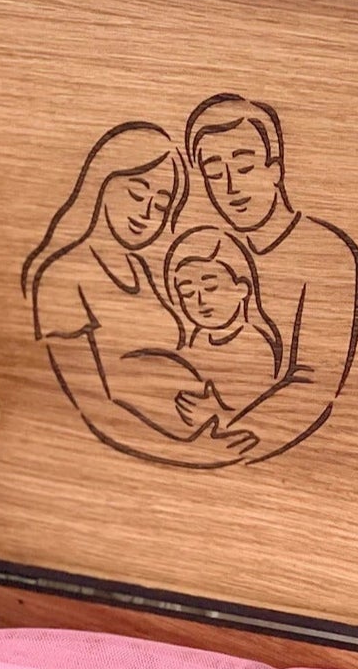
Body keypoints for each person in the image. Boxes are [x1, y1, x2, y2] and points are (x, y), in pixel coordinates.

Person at [22, 123, 252, 464]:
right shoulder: (64, 276)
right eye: (137, 193)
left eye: (161, 205)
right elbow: (92, 407)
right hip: (140, 458)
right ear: (103, 182)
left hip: (192, 445)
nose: (147, 215)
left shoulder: (141, 269)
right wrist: (185, 451)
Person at [177, 94, 358, 460]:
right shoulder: (209, 253)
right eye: (214, 173)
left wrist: (228, 433)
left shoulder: (328, 254)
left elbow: (312, 385)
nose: (230, 188)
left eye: (244, 167)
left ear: (275, 168)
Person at [163, 226, 280, 408]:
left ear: (241, 289)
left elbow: (257, 407)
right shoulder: (198, 339)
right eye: (187, 293)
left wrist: (213, 412)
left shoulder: (255, 345)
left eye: (210, 287)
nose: (199, 301)